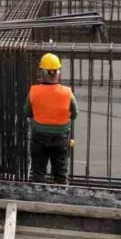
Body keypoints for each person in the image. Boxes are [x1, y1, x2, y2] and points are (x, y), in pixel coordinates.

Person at [25, 53, 78, 185]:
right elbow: (75, 114)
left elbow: (27, 112)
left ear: (42, 72)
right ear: (58, 73)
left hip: (38, 137)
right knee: (60, 173)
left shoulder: (34, 91)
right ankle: (60, 198)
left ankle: (38, 197)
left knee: (38, 172)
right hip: (61, 138)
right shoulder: (67, 92)